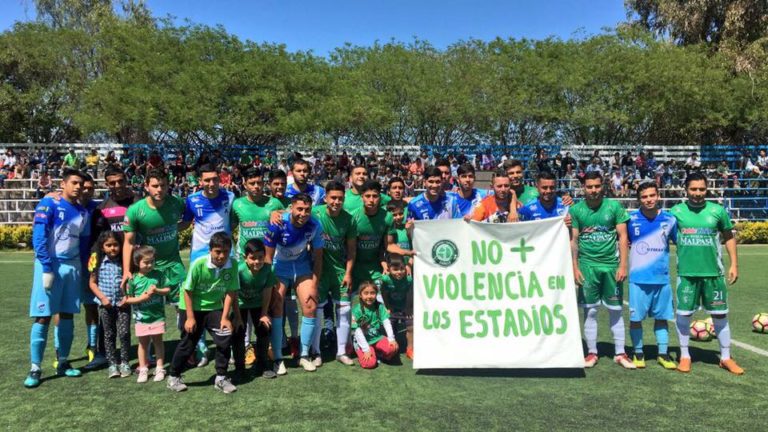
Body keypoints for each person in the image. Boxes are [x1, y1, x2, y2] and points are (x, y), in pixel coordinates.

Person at [671, 172, 742, 375]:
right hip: (687, 274)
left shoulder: (717, 211)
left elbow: (728, 237)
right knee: (684, 315)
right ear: (686, 190)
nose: (698, 193)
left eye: (702, 189)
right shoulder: (676, 212)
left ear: (707, 189)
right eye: (693, 189)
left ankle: (726, 358)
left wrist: (734, 264)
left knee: (720, 314)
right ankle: (685, 356)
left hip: (714, 274)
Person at [24, 168, 90, 388]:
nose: (78, 187)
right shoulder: (49, 204)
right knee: (42, 315)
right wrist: (46, 266)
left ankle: (62, 361)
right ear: (63, 184)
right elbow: (39, 235)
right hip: (50, 264)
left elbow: (82, 243)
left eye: (81, 183)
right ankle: (35, 367)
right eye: (74, 182)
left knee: (68, 315)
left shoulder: (83, 212)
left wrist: (82, 266)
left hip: (72, 267)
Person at [570, 172, 634, 369]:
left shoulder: (614, 207)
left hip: (611, 267)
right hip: (588, 267)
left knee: (616, 310)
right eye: (589, 186)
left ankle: (620, 353)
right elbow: (574, 240)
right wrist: (575, 266)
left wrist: (623, 265)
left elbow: (623, 237)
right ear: (583, 187)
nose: (593, 190)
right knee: (590, 312)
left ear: (603, 186)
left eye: (597, 186)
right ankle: (592, 353)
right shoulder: (576, 210)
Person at [167, 232, 239, 393]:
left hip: (214, 307)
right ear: (210, 250)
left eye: (226, 252)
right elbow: (188, 291)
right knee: (188, 343)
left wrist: (226, 317)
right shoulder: (199, 264)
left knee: (225, 337)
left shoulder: (233, 264)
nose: (221, 256)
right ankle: (173, 376)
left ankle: (221, 377)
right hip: (192, 307)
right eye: (217, 252)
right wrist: (190, 318)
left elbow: (230, 292)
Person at [264, 193, 324, 373]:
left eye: (307, 210)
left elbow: (319, 257)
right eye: (299, 209)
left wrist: (314, 283)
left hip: (302, 265)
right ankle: (278, 358)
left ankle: (304, 355)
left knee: (310, 304)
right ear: (291, 208)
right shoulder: (277, 224)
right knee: (276, 305)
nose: (303, 214)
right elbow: (267, 257)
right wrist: (269, 282)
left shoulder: (315, 225)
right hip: (279, 266)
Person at [627, 183, 678, 370]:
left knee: (662, 317)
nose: (648, 199)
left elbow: (679, 242)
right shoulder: (630, 219)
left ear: (658, 196)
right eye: (644, 197)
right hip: (638, 279)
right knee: (635, 319)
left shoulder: (670, 220)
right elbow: (622, 241)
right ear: (639, 199)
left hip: (661, 279)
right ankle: (638, 352)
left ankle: (663, 354)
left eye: (652, 195)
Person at [311, 181, 357, 366]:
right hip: (319, 270)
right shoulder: (315, 213)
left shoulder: (349, 219)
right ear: (325, 198)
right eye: (333, 198)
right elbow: (292, 213)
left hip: (339, 271)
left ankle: (341, 351)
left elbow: (352, 250)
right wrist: (276, 213)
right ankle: (316, 352)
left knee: (344, 310)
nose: (337, 202)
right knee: (317, 311)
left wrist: (348, 273)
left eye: (340, 198)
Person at [88, 231, 132, 379]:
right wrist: (103, 299)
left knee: (124, 333)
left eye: (115, 245)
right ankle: (112, 364)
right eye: (108, 245)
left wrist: (127, 297)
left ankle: (125, 362)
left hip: (123, 304)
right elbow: (92, 283)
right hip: (105, 305)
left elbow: (130, 282)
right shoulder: (98, 262)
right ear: (102, 247)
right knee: (108, 334)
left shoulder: (124, 263)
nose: (112, 248)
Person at [232, 238, 277, 379]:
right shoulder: (238, 270)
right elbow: (232, 294)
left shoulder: (268, 269)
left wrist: (264, 313)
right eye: (253, 258)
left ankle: (262, 365)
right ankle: (240, 368)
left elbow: (268, 291)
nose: (257, 262)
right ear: (245, 258)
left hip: (258, 304)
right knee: (238, 332)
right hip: (240, 305)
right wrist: (237, 317)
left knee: (264, 329)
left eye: (260, 258)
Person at [124, 246, 169, 383]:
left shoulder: (159, 275)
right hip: (141, 318)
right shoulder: (133, 279)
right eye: (146, 262)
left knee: (158, 342)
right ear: (137, 263)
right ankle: (143, 369)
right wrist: (141, 299)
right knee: (143, 344)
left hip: (157, 316)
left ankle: (160, 368)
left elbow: (167, 290)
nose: (149, 265)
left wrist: (157, 291)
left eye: (152, 261)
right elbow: (128, 299)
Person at [183, 164, 236, 264]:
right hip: (200, 252)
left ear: (219, 179)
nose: (211, 184)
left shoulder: (230, 197)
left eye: (215, 179)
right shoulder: (192, 199)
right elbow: (186, 223)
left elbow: (235, 221)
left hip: (225, 250)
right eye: (207, 180)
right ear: (200, 181)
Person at [352, 280, 399, 369]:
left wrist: (391, 339)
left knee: (393, 348)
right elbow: (357, 331)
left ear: (376, 294)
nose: (369, 296)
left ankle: (377, 352)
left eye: (372, 293)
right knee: (369, 364)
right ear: (360, 295)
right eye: (366, 293)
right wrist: (366, 349)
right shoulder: (356, 310)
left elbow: (386, 322)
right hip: (363, 342)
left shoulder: (380, 306)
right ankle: (362, 351)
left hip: (376, 338)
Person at [380, 256, 413, 359]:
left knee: (411, 327)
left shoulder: (408, 279)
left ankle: (410, 349)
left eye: (402, 269)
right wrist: (387, 306)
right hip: (392, 307)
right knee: (390, 327)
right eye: (395, 269)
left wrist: (408, 309)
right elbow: (383, 293)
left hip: (405, 308)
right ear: (389, 269)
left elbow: (410, 294)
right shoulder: (385, 279)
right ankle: (391, 347)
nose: (399, 272)